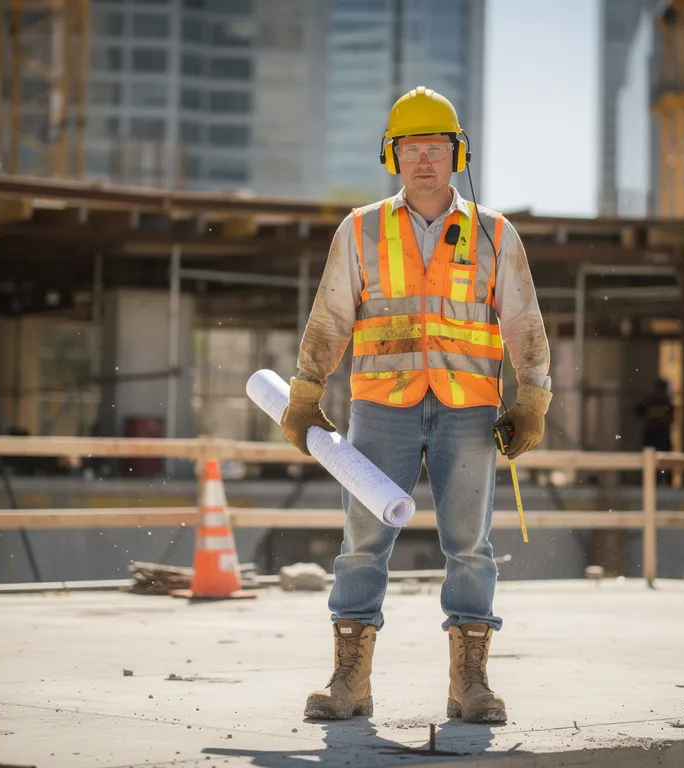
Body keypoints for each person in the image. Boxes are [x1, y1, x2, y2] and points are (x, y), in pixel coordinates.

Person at [279, 86, 552, 724]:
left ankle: (470, 685)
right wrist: (305, 393)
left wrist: (532, 397)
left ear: (456, 154)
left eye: (435, 148)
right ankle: (350, 682)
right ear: (392, 157)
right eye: (410, 149)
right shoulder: (361, 230)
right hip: (382, 404)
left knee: (470, 544)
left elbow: (524, 322)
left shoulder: (494, 234)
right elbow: (330, 318)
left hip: (467, 407)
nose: (423, 161)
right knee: (362, 541)